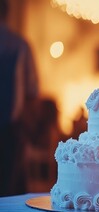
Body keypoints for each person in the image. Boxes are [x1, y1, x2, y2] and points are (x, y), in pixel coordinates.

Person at [0, 0, 39, 196]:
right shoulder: (18, 44)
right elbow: (32, 91)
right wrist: (28, 129)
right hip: (9, 127)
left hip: (10, 127)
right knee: (8, 191)